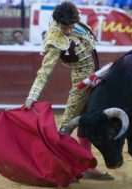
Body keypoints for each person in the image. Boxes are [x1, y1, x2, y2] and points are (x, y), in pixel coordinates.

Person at [23, 1, 114, 181]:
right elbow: (45, 71)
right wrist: (32, 96)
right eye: (64, 26)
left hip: (97, 76)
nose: (67, 30)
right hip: (81, 81)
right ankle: (58, 166)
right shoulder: (54, 37)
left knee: (87, 120)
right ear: (58, 22)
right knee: (67, 124)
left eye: (70, 25)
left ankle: (87, 166)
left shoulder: (76, 21)